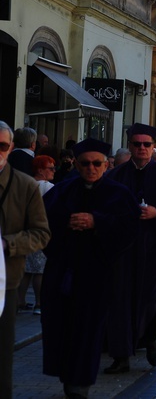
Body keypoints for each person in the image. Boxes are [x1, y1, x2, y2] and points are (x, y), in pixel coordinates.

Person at [41, 138, 140, 399]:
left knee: (87, 330)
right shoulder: (60, 192)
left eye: (97, 163)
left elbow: (129, 230)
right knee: (61, 327)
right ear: (76, 163)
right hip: (63, 271)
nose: (91, 168)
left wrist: (98, 222)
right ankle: (67, 376)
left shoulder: (119, 194)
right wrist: (66, 224)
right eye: (85, 163)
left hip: (99, 274)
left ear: (106, 165)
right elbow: (42, 228)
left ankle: (79, 383)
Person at [105, 123, 156, 373]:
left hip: (151, 249)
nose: (142, 149)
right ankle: (121, 356)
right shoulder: (116, 176)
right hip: (122, 251)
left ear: (153, 147)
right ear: (130, 146)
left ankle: (149, 338)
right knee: (119, 302)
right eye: (137, 144)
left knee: (150, 300)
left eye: (146, 145)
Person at [0, 121, 50, 397]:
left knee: (3, 354)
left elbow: (42, 233)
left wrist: (9, 244)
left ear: (10, 148)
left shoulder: (25, 185)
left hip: (6, 281)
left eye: (2, 146)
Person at [18, 156, 56, 315]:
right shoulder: (48, 187)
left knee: (26, 269)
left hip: (24, 231)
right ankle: (40, 304)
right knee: (40, 270)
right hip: (41, 231)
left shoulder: (25, 184)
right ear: (41, 170)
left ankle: (19, 302)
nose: (54, 171)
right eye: (51, 168)